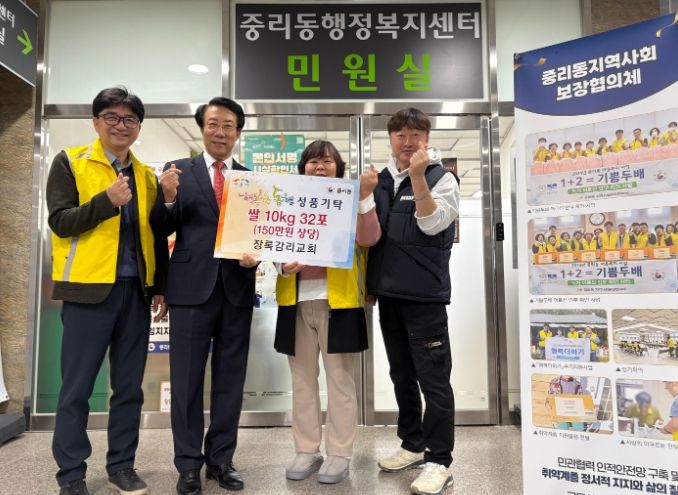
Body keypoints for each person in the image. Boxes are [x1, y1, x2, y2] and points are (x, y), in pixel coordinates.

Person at [46, 87, 169, 495]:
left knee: (129, 389)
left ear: (139, 127)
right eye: (112, 117)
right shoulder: (70, 162)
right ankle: (71, 474)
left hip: (135, 294)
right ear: (96, 122)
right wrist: (106, 201)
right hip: (87, 293)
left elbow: (154, 235)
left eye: (130, 119)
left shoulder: (146, 176)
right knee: (76, 388)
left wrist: (159, 287)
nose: (121, 125)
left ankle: (122, 466)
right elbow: (60, 221)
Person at [150, 97, 258, 494]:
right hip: (189, 289)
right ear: (202, 128)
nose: (220, 132)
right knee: (186, 381)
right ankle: (188, 465)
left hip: (236, 289)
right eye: (214, 124)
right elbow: (159, 228)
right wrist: (166, 198)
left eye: (229, 125)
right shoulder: (178, 170)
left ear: (238, 132)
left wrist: (257, 256)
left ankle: (221, 460)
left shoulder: (251, 180)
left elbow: (259, 234)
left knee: (231, 380)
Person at [362, 107, 459, 495]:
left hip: (425, 297)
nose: (407, 141)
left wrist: (418, 177)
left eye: (415, 134)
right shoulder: (381, 181)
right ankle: (413, 443)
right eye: (400, 134)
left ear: (426, 139)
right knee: (401, 374)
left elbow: (433, 224)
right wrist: (371, 283)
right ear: (390, 139)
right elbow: (371, 237)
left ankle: (440, 460)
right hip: (389, 296)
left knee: (433, 380)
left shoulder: (442, 177)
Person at [274, 140, 378, 484]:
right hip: (294, 302)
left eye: (328, 161)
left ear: (339, 169)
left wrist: (363, 197)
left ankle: (339, 452)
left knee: (340, 382)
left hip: (340, 303)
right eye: (313, 161)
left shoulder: (352, 200)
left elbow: (369, 238)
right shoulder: (289, 201)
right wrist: (282, 266)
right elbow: (273, 241)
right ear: (303, 168)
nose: (320, 167)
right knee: (302, 381)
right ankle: (306, 449)